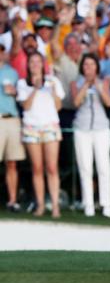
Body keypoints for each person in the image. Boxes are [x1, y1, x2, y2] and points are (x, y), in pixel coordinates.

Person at [16, 52, 64, 218]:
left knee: (52, 167)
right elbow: (26, 106)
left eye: (38, 62)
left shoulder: (53, 81)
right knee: (37, 168)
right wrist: (35, 89)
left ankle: (55, 206)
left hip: (50, 126)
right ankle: (41, 205)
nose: (35, 65)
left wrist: (51, 90)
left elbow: (58, 106)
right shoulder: (23, 83)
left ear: (43, 64)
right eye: (32, 62)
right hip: (31, 127)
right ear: (28, 65)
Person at [71, 54, 110, 217]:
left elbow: (108, 102)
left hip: (101, 128)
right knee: (85, 167)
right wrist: (86, 85)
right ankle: (88, 203)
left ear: (97, 67)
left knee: (104, 167)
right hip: (82, 129)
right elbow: (76, 102)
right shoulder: (76, 83)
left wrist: (97, 85)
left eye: (92, 65)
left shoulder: (103, 82)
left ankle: (106, 204)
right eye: (86, 65)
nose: (89, 68)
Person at [0, 42, 25, 212]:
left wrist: (15, 92)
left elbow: (21, 94)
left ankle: (12, 200)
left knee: (12, 162)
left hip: (12, 119)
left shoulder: (12, 73)